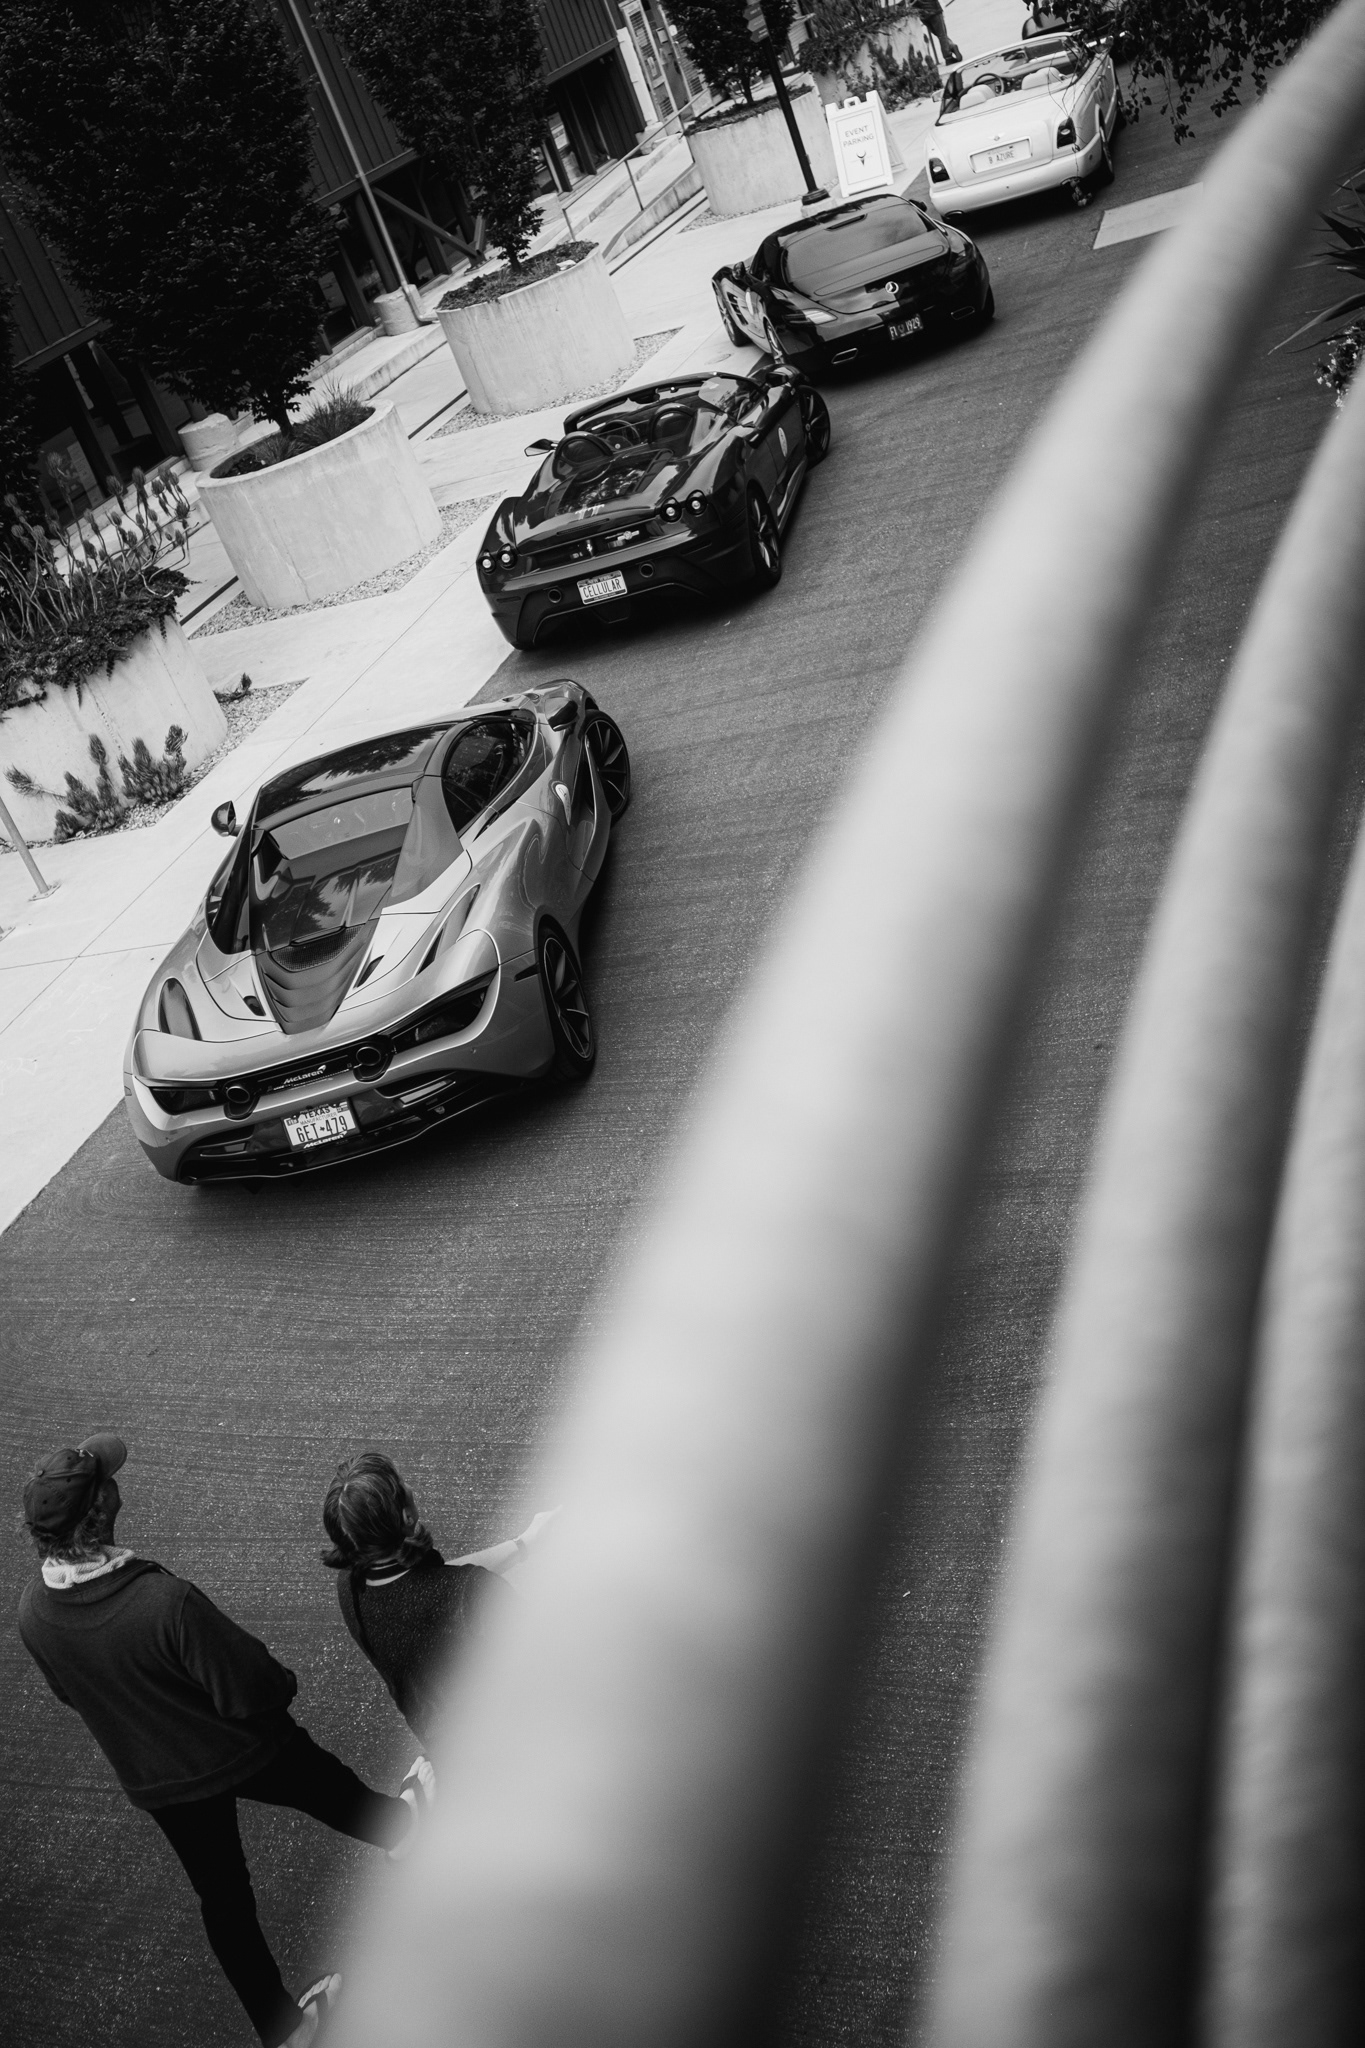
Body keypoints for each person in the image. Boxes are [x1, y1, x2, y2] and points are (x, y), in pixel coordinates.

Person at [17, 1433, 433, 2048]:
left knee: (224, 1902)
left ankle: (284, 2030)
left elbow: (68, 1693)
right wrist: (283, 1683)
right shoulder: (164, 1601)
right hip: (244, 1747)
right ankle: (403, 1831)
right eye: (107, 1479)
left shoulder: (32, 1611)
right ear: (101, 1509)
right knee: (325, 1786)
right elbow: (253, 1686)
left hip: (161, 1781)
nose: (114, 1480)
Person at [321, 1451, 558, 1744]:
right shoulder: (474, 1593)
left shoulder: (351, 1587)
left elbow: (431, 1582)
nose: (410, 1486)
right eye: (402, 1482)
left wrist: (524, 1544)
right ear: (407, 1517)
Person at [912, 0, 963, 65]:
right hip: (933, 10)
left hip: (922, 14)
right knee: (942, 34)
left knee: (939, 34)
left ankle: (951, 45)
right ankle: (948, 56)